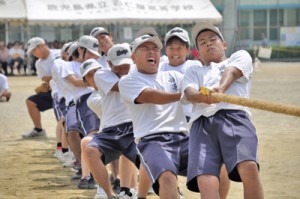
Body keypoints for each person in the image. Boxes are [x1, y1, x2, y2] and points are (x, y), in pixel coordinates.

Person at [182, 21, 264, 199]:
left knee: (248, 166)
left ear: (224, 44)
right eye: (202, 42)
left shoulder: (240, 56)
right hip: (201, 123)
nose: (208, 43)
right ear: (198, 51)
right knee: (206, 179)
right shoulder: (194, 70)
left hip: (234, 115)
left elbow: (232, 71)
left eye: (212, 39)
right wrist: (202, 97)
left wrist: (221, 88)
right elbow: (189, 92)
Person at [119, 34, 189, 199]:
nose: (152, 52)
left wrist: (205, 93)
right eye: (145, 49)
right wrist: (182, 95)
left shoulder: (174, 76)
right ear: (133, 58)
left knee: (214, 168)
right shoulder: (127, 81)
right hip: (151, 140)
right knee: (167, 177)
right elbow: (149, 96)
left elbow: (192, 89)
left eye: (155, 49)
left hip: (184, 137)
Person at [83, 44, 139, 198]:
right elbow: (124, 87)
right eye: (118, 67)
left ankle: (130, 190)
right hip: (110, 129)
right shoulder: (101, 75)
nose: (123, 71)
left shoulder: (136, 71)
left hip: (135, 126)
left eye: (126, 66)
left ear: (132, 61)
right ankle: (109, 194)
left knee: (150, 158)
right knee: (90, 150)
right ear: (109, 64)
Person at [22, 37, 61, 139]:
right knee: (31, 102)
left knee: (62, 121)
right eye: (32, 51)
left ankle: (63, 147)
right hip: (53, 90)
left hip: (66, 91)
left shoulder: (58, 54)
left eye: (34, 49)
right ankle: (38, 130)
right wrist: (54, 77)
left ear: (42, 45)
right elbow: (45, 78)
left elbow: (63, 74)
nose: (33, 53)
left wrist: (53, 77)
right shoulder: (38, 63)